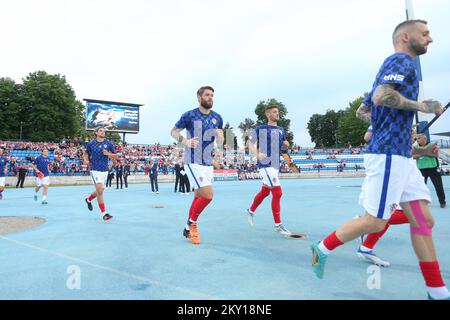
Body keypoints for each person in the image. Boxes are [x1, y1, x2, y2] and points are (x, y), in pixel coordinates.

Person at [310, 20, 450, 300]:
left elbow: (364, 109)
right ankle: (321, 248)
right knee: (375, 222)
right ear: (406, 37)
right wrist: (422, 106)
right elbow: (381, 96)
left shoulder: (390, 68)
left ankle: (437, 291)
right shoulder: (401, 61)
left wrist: (387, 124)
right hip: (387, 154)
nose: (430, 39)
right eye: (425, 34)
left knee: (424, 220)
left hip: (399, 154)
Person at [170, 86, 224, 245]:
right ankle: (192, 224)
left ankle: (188, 227)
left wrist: (220, 138)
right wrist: (185, 141)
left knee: (199, 196)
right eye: (207, 95)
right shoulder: (189, 115)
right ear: (199, 97)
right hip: (193, 160)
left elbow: (220, 143)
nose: (210, 97)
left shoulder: (217, 117)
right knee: (208, 195)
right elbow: (173, 132)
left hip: (208, 162)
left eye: (212, 95)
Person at [245, 104, 292, 236]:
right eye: (275, 112)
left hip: (275, 164)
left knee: (265, 192)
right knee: (277, 193)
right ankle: (278, 225)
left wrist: (285, 144)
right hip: (265, 164)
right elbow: (249, 143)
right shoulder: (261, 128)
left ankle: (250, 210)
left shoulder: (281, 129)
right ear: (268, 114)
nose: (277, 114)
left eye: (278, 112)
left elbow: (283, 142)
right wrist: (257, 154)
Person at [83, 127, 117, 221]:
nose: (103, 132)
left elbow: (115, 155)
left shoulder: (109, 144)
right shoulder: (91, 144)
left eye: (104, 131)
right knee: (100, 191)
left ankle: (88, 199)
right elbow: (85, 154)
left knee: (100, 190)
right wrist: (86, 160)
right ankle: (104, 214)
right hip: (95, 169)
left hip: (105, 170)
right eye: (101, 131)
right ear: (96, 132)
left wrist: (108, 154)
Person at [414, 133, 446, 208]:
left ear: (424, 139)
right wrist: (419, 155)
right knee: (420, 188)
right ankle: (421, 203)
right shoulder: (415, 147)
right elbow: (412, 156)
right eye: (417, 138)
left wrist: (433, 151)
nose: (417, 140)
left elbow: (437, 155)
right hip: (421, 169)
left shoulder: (432, 145)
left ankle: (442, 202)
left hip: (433, 168)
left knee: (438, 186)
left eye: (419, 138)